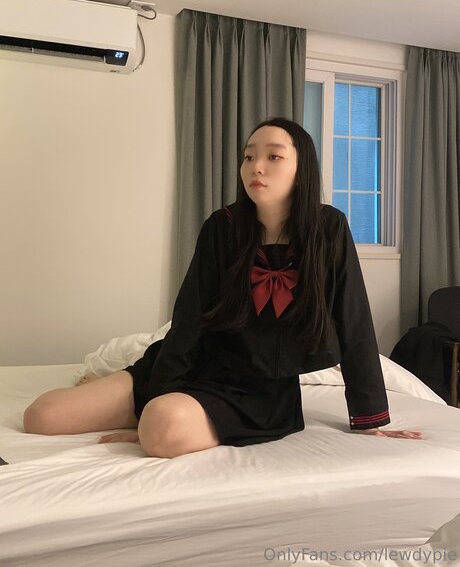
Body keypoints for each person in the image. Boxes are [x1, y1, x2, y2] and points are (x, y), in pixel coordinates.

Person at [23, 118, 422, 457]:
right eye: (248, 157)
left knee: (161, 427)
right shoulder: (223, 226)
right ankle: (150, 407)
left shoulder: (328, 228)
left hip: (257, 392)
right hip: (189, 366)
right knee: (42, 416)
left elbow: (354, 321)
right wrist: (157, 394)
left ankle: (159, 415)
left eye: (273, 156)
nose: (256, 167)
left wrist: (369, 419)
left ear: (302, 168)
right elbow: (189, 318)